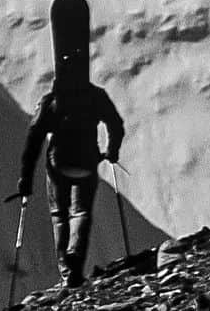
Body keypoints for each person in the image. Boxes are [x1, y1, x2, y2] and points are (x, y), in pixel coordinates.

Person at [17, 53, 125, 288]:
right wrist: (112, 151)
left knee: (60, 215)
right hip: (87, 163)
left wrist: (26, 177)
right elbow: (116, 124)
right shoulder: (96, 96)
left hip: (58, 164)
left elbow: (34, 138)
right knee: (81, 212)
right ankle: (75, 260)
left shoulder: (51, 101)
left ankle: (66, 270)